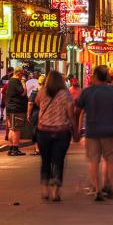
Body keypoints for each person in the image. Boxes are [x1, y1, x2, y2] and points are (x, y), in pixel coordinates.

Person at [76, 65, 113, 201]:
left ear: (94, 76)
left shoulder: (87, 92)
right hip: (110, 131)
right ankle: (108, 185)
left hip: (92, 132)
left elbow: (78, 111)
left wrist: (78, 129)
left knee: (93, 161)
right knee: (111, 160)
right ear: (107, 78)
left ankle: (97, 189)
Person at [35, 71, 76, 202]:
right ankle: (55, 191)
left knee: (45, 160)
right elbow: (71, 114)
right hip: (62, 132)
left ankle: (44, 189)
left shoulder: (42, 91)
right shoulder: (65, 94)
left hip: (43, 131)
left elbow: (36, 102)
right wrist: (75, 130)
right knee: (59, 160)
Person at [5, 69, 28, 156]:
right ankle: (15, 148)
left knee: (12, 129)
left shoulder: (11, 81)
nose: (22, 76)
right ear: (18, 73)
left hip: (11, 109)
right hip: (16, 109)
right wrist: (23, 83)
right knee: (16, 129)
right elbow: (23, 93)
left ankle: (11, 148)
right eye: (22, 74)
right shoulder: (16, 82)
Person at [26, 76, 43, 156]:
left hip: (36, 113)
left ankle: (37, 148)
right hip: (46, 113)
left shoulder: (35, 91)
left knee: (36, 130)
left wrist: (28, 114)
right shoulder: (49, 92)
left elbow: (30, 103)